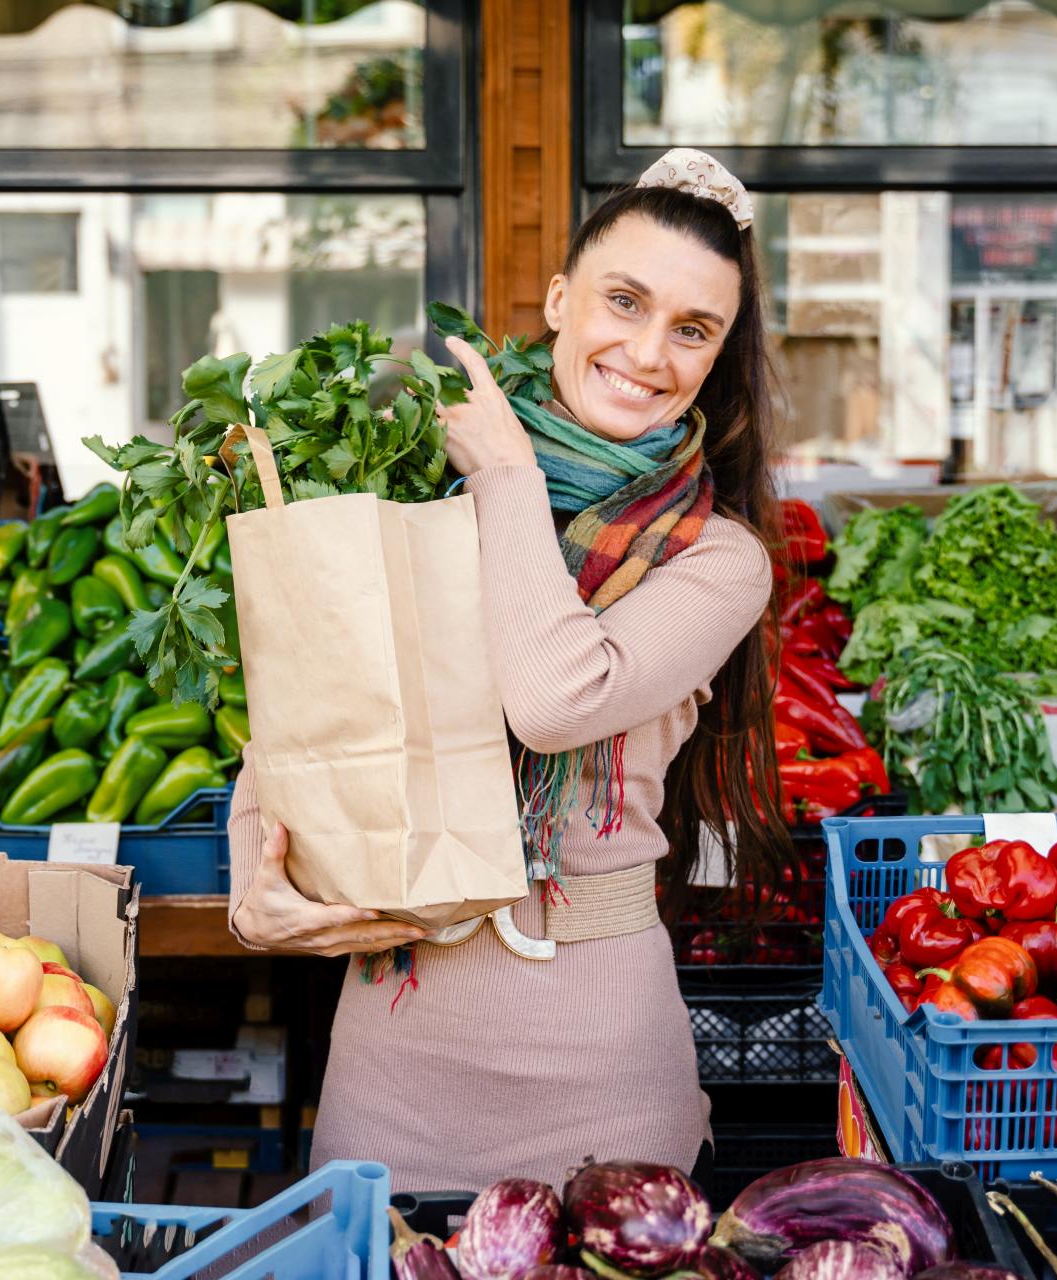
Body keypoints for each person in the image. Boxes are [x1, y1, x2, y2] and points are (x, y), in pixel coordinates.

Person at [224, 148, 793, 1191]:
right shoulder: (412, 478)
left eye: (692, 329)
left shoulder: (720, 557)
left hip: (603, 1074)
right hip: (397, 1059)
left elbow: (552, 697)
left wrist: (506, 473)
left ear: (716, 356)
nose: (648, 351)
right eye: (624, 301)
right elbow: (310, 702)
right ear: (561, 298)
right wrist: (251, 885)